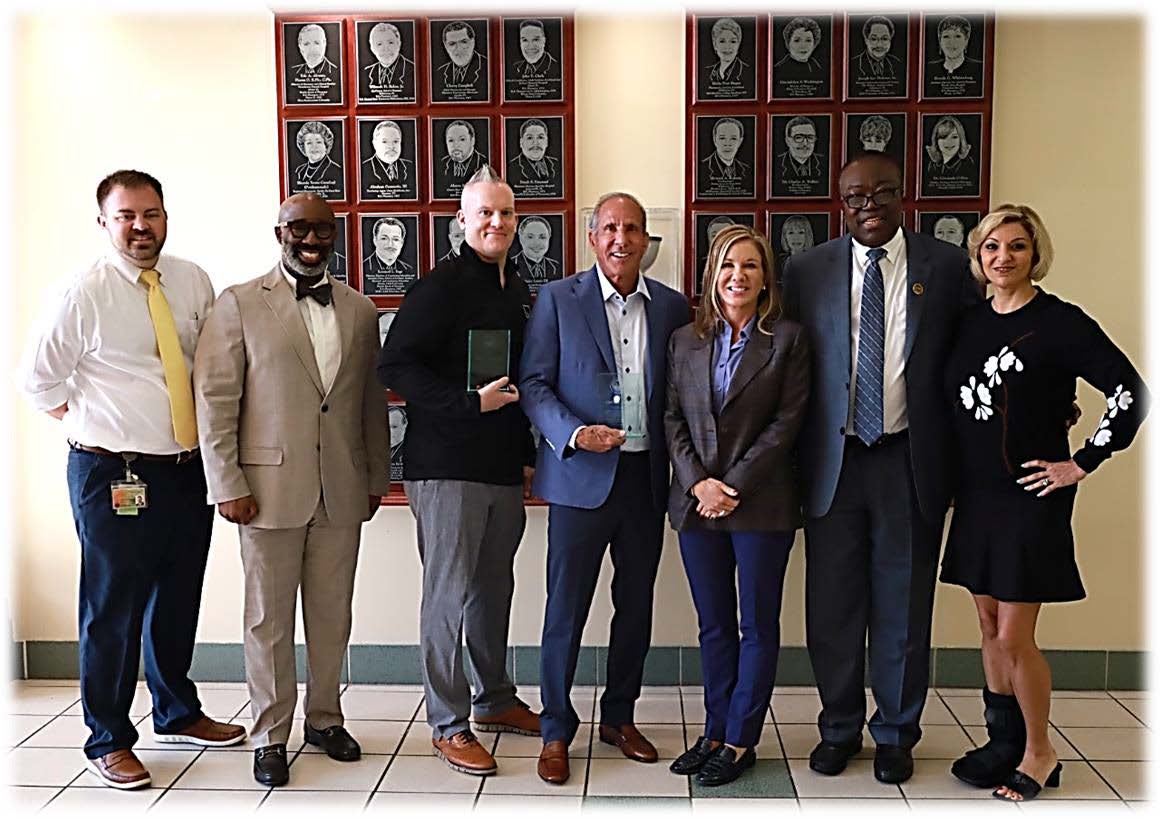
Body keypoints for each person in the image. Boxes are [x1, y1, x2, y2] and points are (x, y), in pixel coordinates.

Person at [16, 169, 246, 790]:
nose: (141, 226)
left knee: (176, 598)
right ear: (104, 223)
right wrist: (94, 425)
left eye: (152, 213)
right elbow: (38, 382)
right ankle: (109, 737)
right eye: (126, 216)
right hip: (111, 473)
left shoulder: (193, 280)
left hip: (184, 469)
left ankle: (176, 711)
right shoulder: (81, 292)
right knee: (112, 608)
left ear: (166, 217)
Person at [780, 153, 982, 785]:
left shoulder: (946, 267)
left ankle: (896, 731)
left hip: (908, 459)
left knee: (903, 603)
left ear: (904, 196)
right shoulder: (806, 270)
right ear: (839, 204)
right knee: (832, 605)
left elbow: (978, 353)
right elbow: (786, 365)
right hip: (832, 463)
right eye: (854, 197)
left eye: (882, 194)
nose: (868, 206)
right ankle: (839, 727)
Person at [940, 204, 1148, 801]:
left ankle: (1040, 750)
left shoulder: (1062, 322)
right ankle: (1002, 743)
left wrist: (1081, 462)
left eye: (1016, 247)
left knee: (1013, 635)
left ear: (1036, 254)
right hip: (976, 495)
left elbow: (1130, 393)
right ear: (978, 258)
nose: (1003, 257)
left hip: (1031, 495)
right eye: (991, 248)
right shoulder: (968, 322)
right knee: (985, 622)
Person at [193, 193, 388, 787]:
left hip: (342, 491)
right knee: (268, 622)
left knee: (332, 617)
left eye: (322, 229)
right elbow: (216, 399)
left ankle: (325, 720)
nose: (311, 238)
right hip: (265, 491)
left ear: (336, 235)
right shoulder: (240, 303)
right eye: (298, 227)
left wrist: (375, 475)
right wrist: (227, 482)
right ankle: (270, 733)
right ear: (278, 231)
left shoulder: (359, 309)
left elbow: (369, 404)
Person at [519, 192, 690, 785]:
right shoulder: (557, 300)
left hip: (644, 483)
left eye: (633, 229)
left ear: (647, 241)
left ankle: (619, 716)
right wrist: (573, 434)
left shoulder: (672, 307)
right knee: (564, 611)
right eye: (611, 228)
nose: (622, 239)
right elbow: (534, 383)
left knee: (634, 608)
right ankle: (556, 730)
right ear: (592, 237)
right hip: (577, 483)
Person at [378, 166, 540, 778]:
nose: (496, 222)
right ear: (462, 223)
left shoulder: (516, 288)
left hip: (500, 470)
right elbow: (395, 367)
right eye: (484, 214)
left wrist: (524, 457)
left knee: (492, 591)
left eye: (505, 213)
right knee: (447, 595)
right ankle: (448, 723)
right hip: (445, 470)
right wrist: (467, 403)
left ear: (516, 222)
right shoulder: (437, 288)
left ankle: (494, 699)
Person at [664, 225, 810, 787]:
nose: (738, 277)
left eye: (750, 266)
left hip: (761, 504)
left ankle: (741, 738)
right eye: (728, 265)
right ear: (712, 274)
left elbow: (786, 424)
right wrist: (700, 483)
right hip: (697, 506)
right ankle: (713, 729)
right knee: (714, 627)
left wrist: (733, 485)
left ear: (765, 277)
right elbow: (672, 418)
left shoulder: (789, 339)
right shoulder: (685, 340)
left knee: (756, 625)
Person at [927, 16, 983, 85]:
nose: (951, 42)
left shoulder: (980, 69)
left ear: (966, 40)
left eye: (957, 36)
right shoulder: (928, 69)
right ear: (940, 41)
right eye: (946, 36)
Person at [507, 118, 559, 187]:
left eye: (540, 137)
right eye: (529, 138)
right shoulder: (510, 168)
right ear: (521, 142)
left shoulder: (558, 165)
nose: (535, 143)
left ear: (546, 142)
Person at [511, 216, 559, 287]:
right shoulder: (509, 266)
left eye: (542, 237)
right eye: (530, 237)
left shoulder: (556, 266)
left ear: (549, 238)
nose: (536, 243)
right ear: (521, 239)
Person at [365, 22, 414, 91]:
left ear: (399, 44)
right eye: (379, 44)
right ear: (372, 48)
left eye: (390, 42)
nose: (386, 48)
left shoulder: (413, 70)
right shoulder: (365, 73)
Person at [293, 121, 343, 189]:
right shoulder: (299, 171)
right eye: (309, 143)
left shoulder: (337, 171)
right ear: (303, 147)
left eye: (318, 142)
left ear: (326, 145)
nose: (314, 147)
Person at [363, 120, 413, 186]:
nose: (391, 147)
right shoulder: (363, 169)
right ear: (374, 144)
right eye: (385, 142)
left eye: (395, 141)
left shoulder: (411, 167)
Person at [437, 21, 486, 87]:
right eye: (452, 44)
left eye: (464, 42)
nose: (459, 48)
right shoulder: (440, 72)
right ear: (445, 46)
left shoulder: (488, 66)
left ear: (473, 42)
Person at [701, 117, 751, 181]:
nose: (727, 144)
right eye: (722, 138)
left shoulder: (747, 170)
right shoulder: (701, 168)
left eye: (733, 139)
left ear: (740, 142)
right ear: (714, 140)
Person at [703, 18, 748, 87]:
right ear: (714, 45)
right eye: (722, 41)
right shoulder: (705, 72)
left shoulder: (748, 72)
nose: (727, 47)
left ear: (738, 45)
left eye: (733, 41)